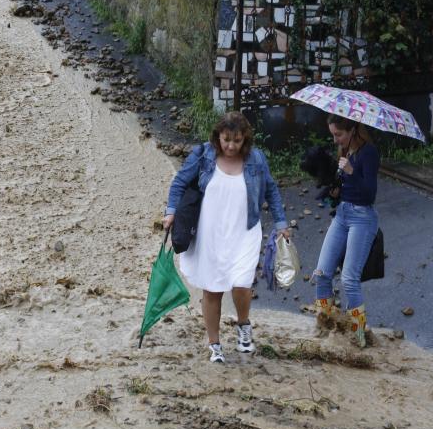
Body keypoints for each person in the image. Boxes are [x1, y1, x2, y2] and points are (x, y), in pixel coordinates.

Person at [163, 112, 289, 363]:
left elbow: (272, 190)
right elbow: (179, 183)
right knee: (213, 289)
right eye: (226, 140)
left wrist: (281, 222)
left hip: (244, 231)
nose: (231, 146)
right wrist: (170, 212)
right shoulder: (203, 155)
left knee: (242, 283)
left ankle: (243, 325)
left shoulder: (256, 160)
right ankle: (215, 345)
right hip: (210, 233)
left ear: (245, 140)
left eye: (237, 140)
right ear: (218, 137)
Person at [313, 114, 380, 348]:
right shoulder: (345, 152)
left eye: (338, 134)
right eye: (332, 134)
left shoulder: (368, 152)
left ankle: (359, 335)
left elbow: (370, 193)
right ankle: (326, 327)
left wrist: (351, 171)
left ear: (352, 129)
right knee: (321, 274)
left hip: (362, 219)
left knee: (349, 280)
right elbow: (347, 190)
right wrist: (335, 193)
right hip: (342, 215)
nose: (335, 139)